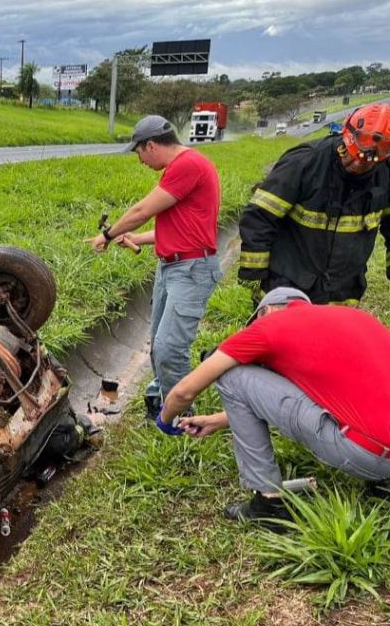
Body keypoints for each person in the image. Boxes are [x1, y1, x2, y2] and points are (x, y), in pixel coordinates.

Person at [155, 287, 390, 528]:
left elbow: (185, 391)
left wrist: (164, 419)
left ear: (265, 311)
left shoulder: (269, 326)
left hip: (367, 454)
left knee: (232, 376)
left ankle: (269, 504)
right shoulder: (351, 317)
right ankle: (383, 483)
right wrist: (219, 420)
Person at [89, 115, 222, 419]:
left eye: (139, 153)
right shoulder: (184, 167)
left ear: (150, 145)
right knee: (159, 344)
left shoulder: (186, 165)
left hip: (190, 271)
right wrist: (135, 238)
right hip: (173, 268)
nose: (141, 161)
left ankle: (182, 419)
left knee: (169, 348)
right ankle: (162, 401)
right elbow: (181, 229)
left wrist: (107, 235)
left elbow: (142, 210)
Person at [238, 102, 390, 305]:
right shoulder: (304, 162)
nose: (356, 164)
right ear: (345, 136)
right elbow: (259, 216)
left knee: (331, 337)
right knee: (282, 337)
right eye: (350, 155)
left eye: (367, 161)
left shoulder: (385, 176)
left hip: (343, 292)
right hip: (287, 286)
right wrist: (253, 276)